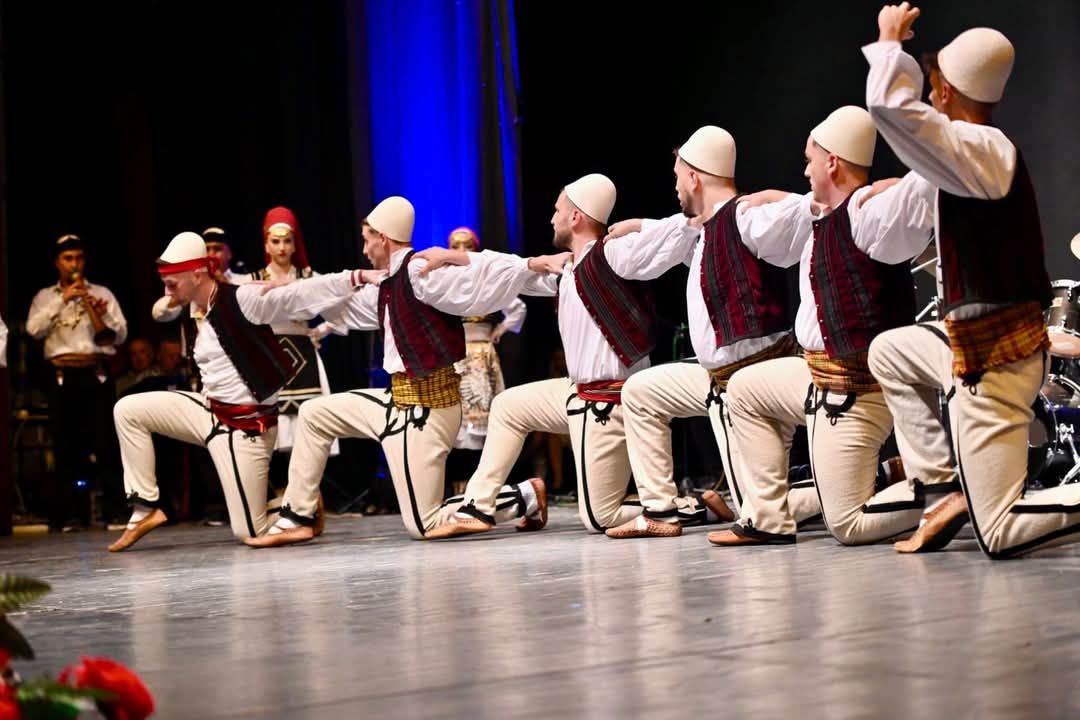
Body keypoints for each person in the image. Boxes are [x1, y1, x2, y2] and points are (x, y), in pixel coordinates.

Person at [864, 3, 1080, 557]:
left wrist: (889, 44)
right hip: (973, 349)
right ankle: (941, 488)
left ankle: (972, 498)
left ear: (944, 91)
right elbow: (886, 239)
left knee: (1000, 534)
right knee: (890, 351)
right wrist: (880, 195)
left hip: (999, 359)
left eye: (934, 85)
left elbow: (893, 111)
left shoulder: (982, 148)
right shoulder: (962, 161)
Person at [427, 174, 726, 540]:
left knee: (601, 518)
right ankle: (478, 506)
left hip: (611, 400)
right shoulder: (567, 270)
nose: (552, 218)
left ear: (576, 217)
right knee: (508, 406)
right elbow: (505, 269)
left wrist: (639, 224)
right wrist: (454, 256)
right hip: (578, 392)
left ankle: (692, 506)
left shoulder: (614, 254)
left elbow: (681, 230)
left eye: (558, 210)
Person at [246, 196, 553, 547]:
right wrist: (288, 289)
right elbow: (337, 302)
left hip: (428, 410)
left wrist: (530, 264)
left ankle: (523, 496)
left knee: (425, 523)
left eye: (367, 240)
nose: (364, 250)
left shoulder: (422, 273)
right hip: (398, 403)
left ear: (382, 238)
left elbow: (482, 277)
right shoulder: (388, 285)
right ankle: (298, 515)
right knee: (316, 414)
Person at [706, 106, 937, 548]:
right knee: (745, 390)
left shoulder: (868, 214)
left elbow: (920, 193)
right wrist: (775, 197)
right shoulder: (822, 214)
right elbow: (806, 205)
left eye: (809, 159)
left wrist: (895, 184)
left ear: (832, 162)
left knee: (847, 525)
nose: (804, 169)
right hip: (818, 376)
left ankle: (943, 493)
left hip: (859, 389)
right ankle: (769, 519)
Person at [602, 126, 819, 538]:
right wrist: (642, 224)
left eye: (677, 176)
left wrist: (781, 197)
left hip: (755, 380)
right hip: (714, 378)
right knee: (641, 392)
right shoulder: (701, 229)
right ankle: (662, 510)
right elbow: (651, 250)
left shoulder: (746, 217)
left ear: (695, 177)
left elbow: (809, 215)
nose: (675, 186)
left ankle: (858, 483)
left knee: (758, 512)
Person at [107, 232, 368, 551]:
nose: (167, 292)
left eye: (172, 284)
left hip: (245, 428)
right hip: (208, 411)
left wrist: (356, 276)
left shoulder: (242, 298)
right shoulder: (195, 307)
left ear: (197, 275)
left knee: (249, 531)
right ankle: (144, 508)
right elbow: (160, 310)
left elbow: (302, 294)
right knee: (128, 410)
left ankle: (300, 506)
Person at [26, 234, 128, 530]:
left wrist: (103, 313)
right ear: (57, 263)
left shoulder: (102, 293)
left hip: (96, 372)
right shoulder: (45, 297)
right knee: (66, 444)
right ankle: (70, 514)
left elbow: (120, 335)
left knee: (106, 442)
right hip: (62, 375)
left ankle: (115, 511)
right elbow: (33, 330)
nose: (74, 264)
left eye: (79, 258)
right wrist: (63, 300)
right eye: (68, 259)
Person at [446, 226, 527, 491]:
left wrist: (500, 329)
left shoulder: (486, 280)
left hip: (481, 355)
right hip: (455, 357)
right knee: (456, 423)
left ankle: (481, 484)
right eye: (455, 246)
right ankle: (458, 485)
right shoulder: (444, 280)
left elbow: (517, 307)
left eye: (467, 245)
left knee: (481, 420)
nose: (461, 250)